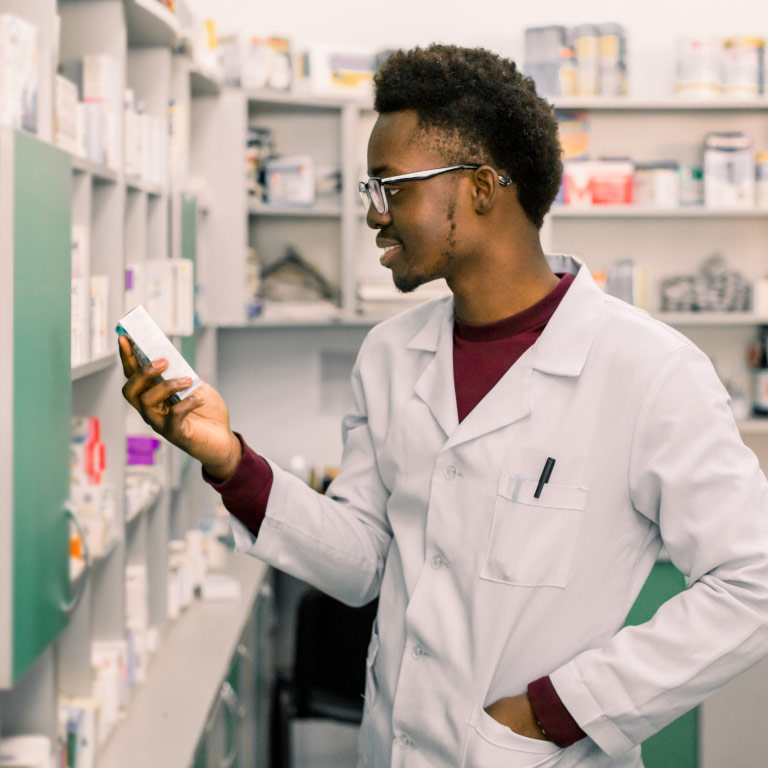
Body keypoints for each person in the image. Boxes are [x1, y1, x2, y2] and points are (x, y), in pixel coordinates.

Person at [120, 44, 768, 768]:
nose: (373, 216)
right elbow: (364, 558)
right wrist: (232, 463)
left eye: (391, 188)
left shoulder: (649, 372)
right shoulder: (391, 356)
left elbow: (753, 581)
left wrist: (553, 712)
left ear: (482, 188)